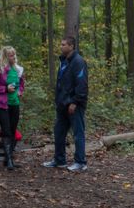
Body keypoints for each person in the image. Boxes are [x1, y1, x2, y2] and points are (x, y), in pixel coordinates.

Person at [42, 36, 89, 172]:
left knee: (78, 134)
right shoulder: (64, 61)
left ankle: (80, 162)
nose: (61, 46)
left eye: (64, 44)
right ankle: (59, 160)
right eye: (61, 44)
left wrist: (75, 102)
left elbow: (82, 84)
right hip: (62, 104)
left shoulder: (78, 62)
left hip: (74, 105)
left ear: (71, 46)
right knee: (59, 132)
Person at [0, 46, 24, 170]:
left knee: (12, 131)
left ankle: (8, 159)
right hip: (1, 104)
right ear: (5, 56)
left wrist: (20, 91)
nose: (14, 57)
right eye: (11, 55)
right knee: (6, 131)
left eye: (14, 54)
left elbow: (21, 83)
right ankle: (9, 161)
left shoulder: (17, 69)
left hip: (14, 103)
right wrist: (5, 89)